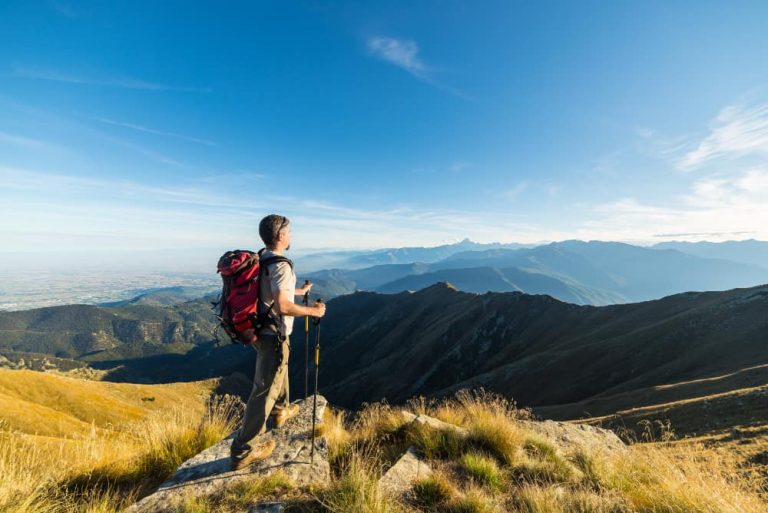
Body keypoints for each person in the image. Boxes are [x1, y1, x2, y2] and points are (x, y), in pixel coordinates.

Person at [230, 214, 326, 470]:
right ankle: (242, 451)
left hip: (259, 330)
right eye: (290, 232)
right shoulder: (281, 264)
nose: (291, 236)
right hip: (273, 333)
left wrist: (300, 292)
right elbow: (282, 305)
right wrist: (313, 312)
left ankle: (281, 410)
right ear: (281, 235)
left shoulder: (263, 258)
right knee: (263, 390)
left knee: (278, 371)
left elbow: (271, 292)